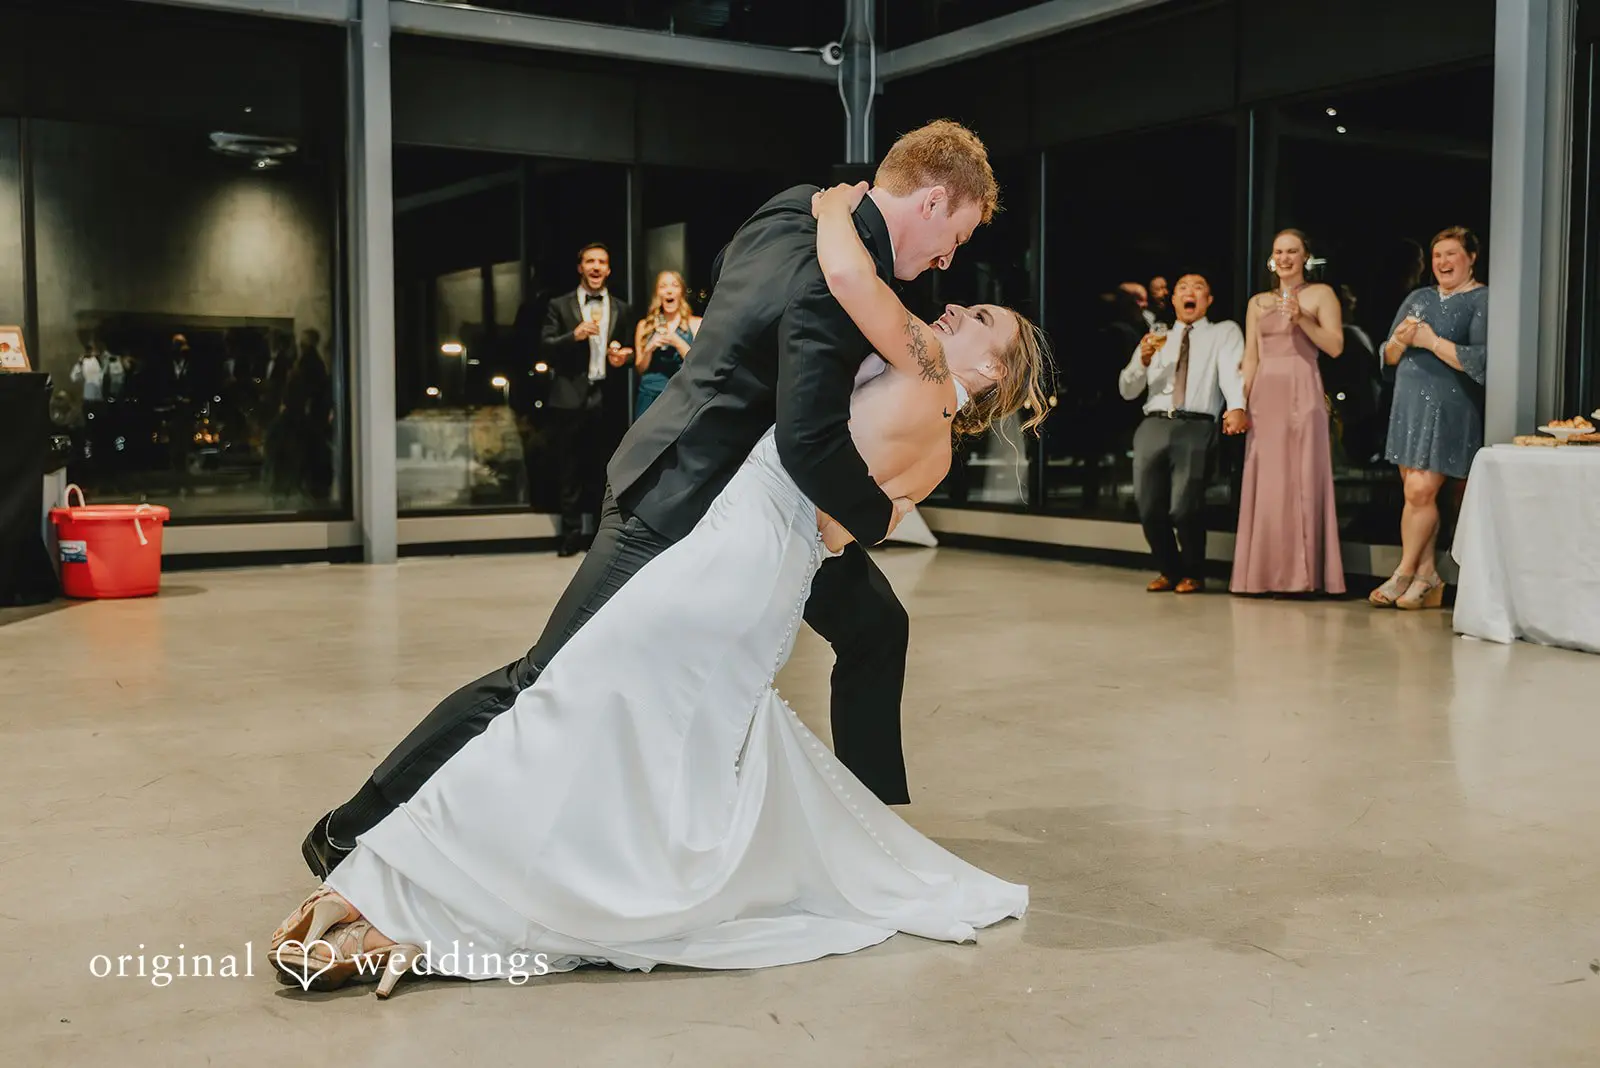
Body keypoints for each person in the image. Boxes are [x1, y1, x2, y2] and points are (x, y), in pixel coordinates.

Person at [264, 180, 1046, 996]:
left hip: (721, 530)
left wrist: (824, 211)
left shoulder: (890, 324)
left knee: (563, 695)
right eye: (952, 248)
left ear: (989, 370)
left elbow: (845, 296)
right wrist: (821, 525)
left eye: (983, 319)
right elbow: (848, 527)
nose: (955, 290)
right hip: (752, 544)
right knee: (646, 717)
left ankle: (403, 874)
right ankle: (493, 866)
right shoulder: (935, 423)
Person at [1368, 226, 1488, 610]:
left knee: (1420, 492)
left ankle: (1403, 571)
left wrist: (1431, 342)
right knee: (1417, 495)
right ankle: (1427, 578)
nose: (1443, 262)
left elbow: (1480, 361)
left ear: (1471, 257)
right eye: (1437, 256)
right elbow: (1386, 355)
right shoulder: (1418, 297)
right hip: (1408, 404)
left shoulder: (1483, 299)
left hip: (1449, 405)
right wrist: (1402, 341)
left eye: (1451, 254)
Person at [1231, 229, 1346, 596]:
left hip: (1303, 389)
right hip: (1267, 393)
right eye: (1278, 251)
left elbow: (1336, 347)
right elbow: (1251, 356)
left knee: (1303, 477)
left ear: (1305, 256)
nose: (1284, 258)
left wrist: (1303, 319)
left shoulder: (1321, 295)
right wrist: (1239, 402)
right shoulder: (1257, 302)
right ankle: (1263, 574)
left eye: (1292, 251)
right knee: (1268, 480)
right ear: (1271, 258)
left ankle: (1306, 576)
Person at [1119, 273, 1249, 593]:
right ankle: (1168, 569)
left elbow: (1233, 372)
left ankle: (1193, 571)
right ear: (1174, 300)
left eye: (1199, 287)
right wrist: (1144, 361)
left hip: (1196, 423)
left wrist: (1236, 406)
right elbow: (1127, 389)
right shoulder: (1156, 336)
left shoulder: (1223, 332)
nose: (1190, 292)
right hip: (1153, 422)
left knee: (1185, 505)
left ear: (1209, 300)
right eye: (1182, 289)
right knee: (1148, 505)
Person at [540, 243, 635, 556]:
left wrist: (623, 357)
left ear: (608, 269)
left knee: (603, 469)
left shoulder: (622, 307)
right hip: (568, 397)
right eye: (590, 261)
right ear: (580, 267)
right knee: (568, 469)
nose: (596, 267)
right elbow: (546, 346)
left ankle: (598, 537)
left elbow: (631, 351)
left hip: (606, 397)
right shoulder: (559, 305)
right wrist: (574, 336)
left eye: (602, 262)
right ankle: (570, 535)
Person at [632, 270, 700, 418]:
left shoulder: (695, 323)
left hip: (682, 396)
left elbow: (697, 363)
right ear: (657, 293)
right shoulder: (644, 326)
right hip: (649, 397)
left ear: (681, 292)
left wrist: (676, 341)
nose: (669, 291)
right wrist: (650, 348)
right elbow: (640, 368)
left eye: (674, 285)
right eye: (663, 286)